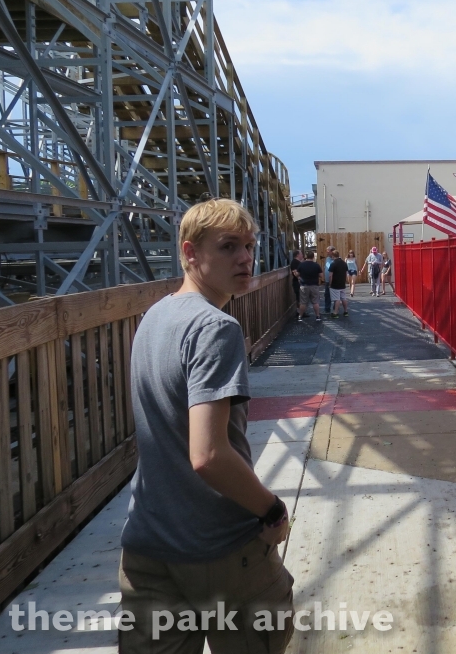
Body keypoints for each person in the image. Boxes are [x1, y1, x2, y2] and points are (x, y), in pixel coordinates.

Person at [119, 198, 293, 654]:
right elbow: (208, 455)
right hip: (220, 549)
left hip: (148, 542)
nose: (245, 258)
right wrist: (272, 509)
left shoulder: (154, 317)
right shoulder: (216, 328)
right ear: (191, 253)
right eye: (228, 246)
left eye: (249, 246)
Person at [297, 250, 323, 322]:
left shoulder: (301, 264)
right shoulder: (316, 265)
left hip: (304, 285)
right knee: (315, 302)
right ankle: (317, 316)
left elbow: (297, 274)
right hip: (314, 285)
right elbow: (321, 275)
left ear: (306, 257)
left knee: (303, 302)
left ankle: (300, 316)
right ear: (313, 257)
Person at [328, 250, 350, 318]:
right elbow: (346, 273)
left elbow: (330, 275)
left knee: (337, 299)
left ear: (332, 255)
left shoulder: (333, 263)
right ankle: (346, 311)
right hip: (342, 283)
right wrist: (345, 281)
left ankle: (335, 313)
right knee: (343, 298)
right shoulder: (344, 263)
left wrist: (330, 283)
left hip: (335, 284)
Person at [323, 246, 335, 314]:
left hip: (334, 280)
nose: (327, 253)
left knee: (335, 295)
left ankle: (335, 309)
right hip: (327, 280)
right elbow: (326, 267)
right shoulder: (327, 258)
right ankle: (327, 309)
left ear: (332, 252)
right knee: (327, 294)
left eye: (328, 251)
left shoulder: (336, 259)